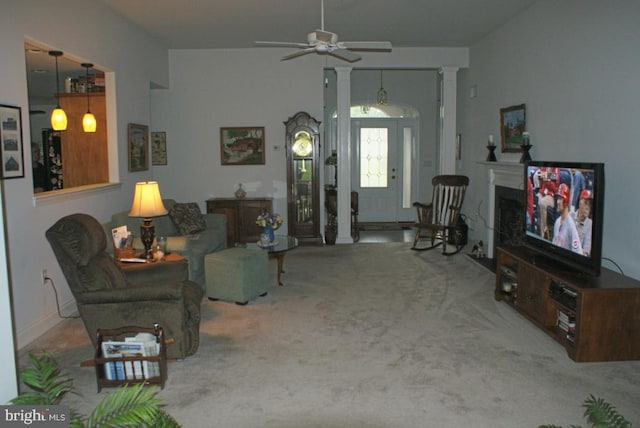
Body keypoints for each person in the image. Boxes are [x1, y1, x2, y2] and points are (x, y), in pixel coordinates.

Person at [552, 183, 583, 254]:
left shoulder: (571, 227)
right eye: (558, 199)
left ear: (566, 201)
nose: (557, 202)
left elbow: (578, 253)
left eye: (560, 199)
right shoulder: (557, 222)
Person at [571, 189, 593, 256]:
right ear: (580, 203)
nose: (588, 207)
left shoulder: (589, 223)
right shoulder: (570, 216)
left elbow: (586, 250)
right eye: (586, 203)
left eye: (590, 204)